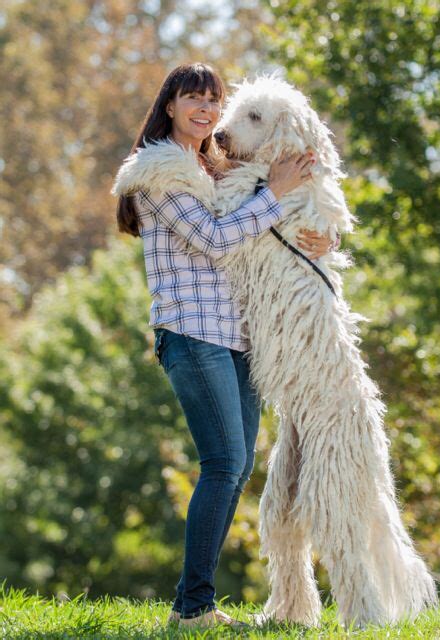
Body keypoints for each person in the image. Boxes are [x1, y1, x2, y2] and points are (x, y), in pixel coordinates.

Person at [113, 62, 339, 630]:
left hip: (234, 336)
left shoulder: (211, 166)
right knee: (224, 463)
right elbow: (215, 240)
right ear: (169, 105)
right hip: (190, 333)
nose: (207, 111)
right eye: (194, 99)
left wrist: (322, 233)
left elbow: (260, 231)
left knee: (234, 470)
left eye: (214, 102)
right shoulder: (159, 171)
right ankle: (192, 610)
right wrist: (276, 192)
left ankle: (197, 603)